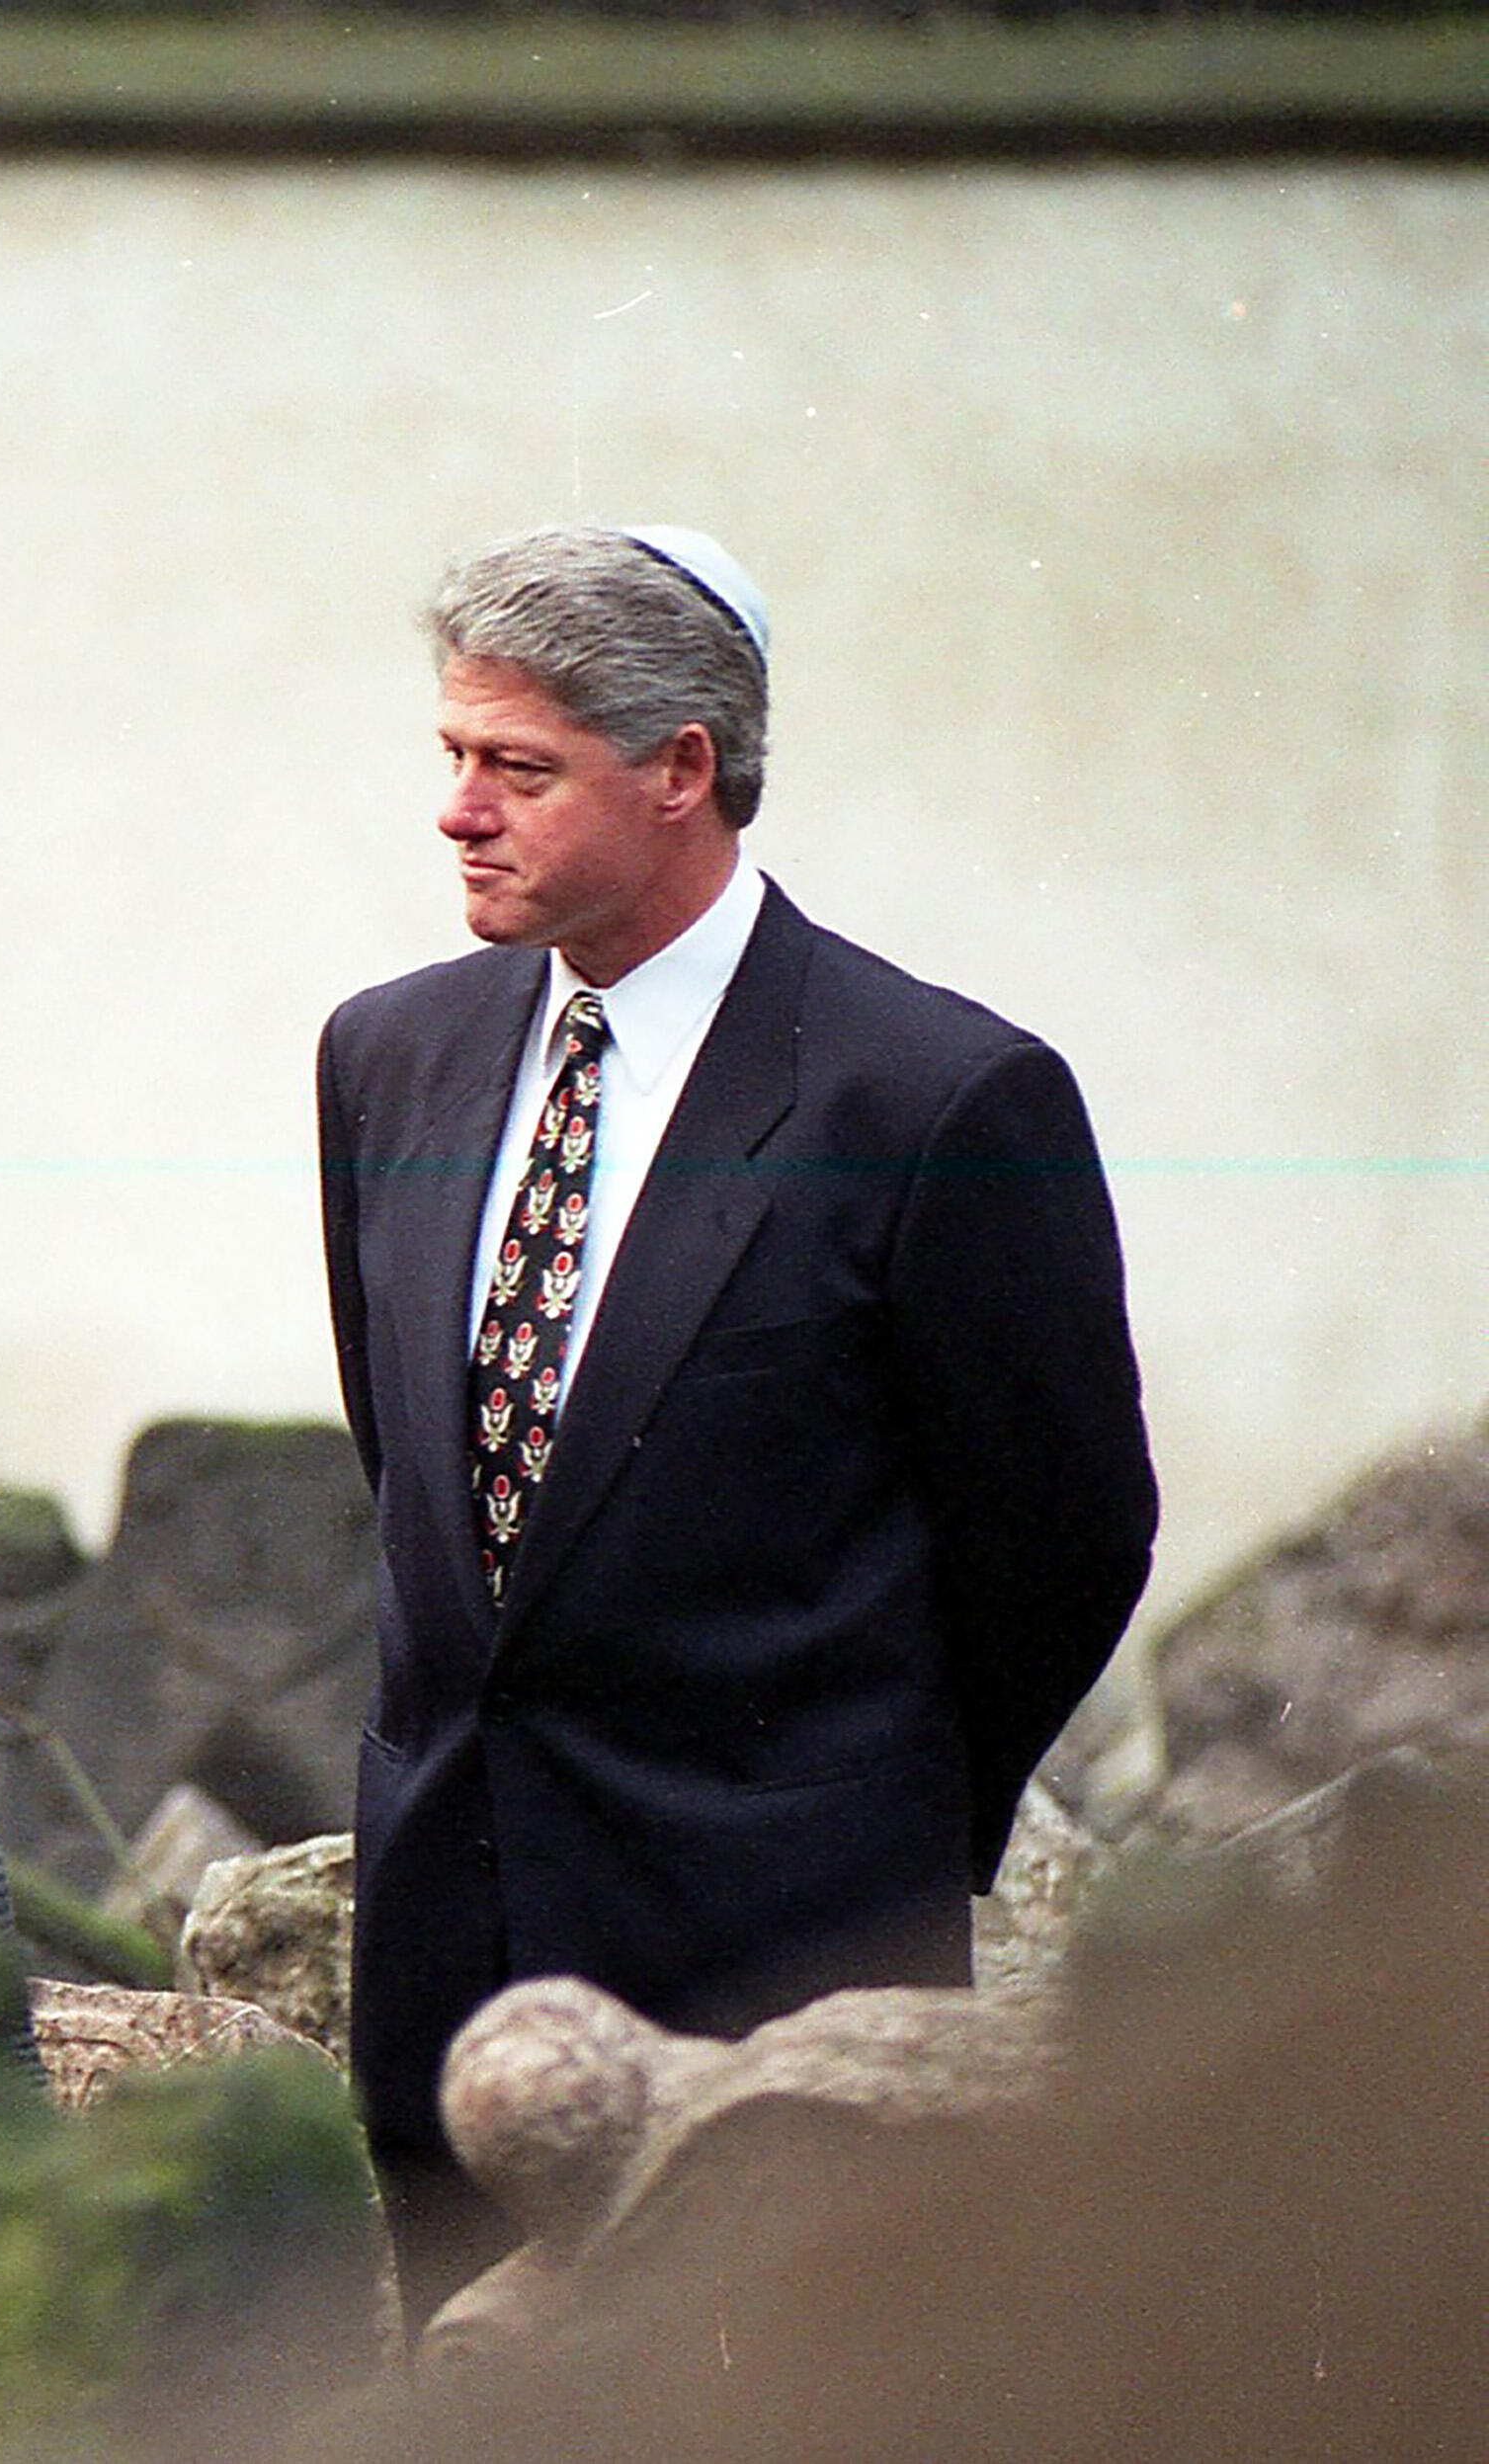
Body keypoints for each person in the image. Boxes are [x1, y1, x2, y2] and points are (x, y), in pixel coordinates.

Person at [312, 524, 1159, 2329]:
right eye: (451, 758)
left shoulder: (935, 1096)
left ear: (683, 770)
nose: (460, 810)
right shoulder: (385, 1055)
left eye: (519, 768)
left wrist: (863, 1833)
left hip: (780, 2008)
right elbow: (436, 1495)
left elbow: (1065, 1541)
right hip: (445, 1990)